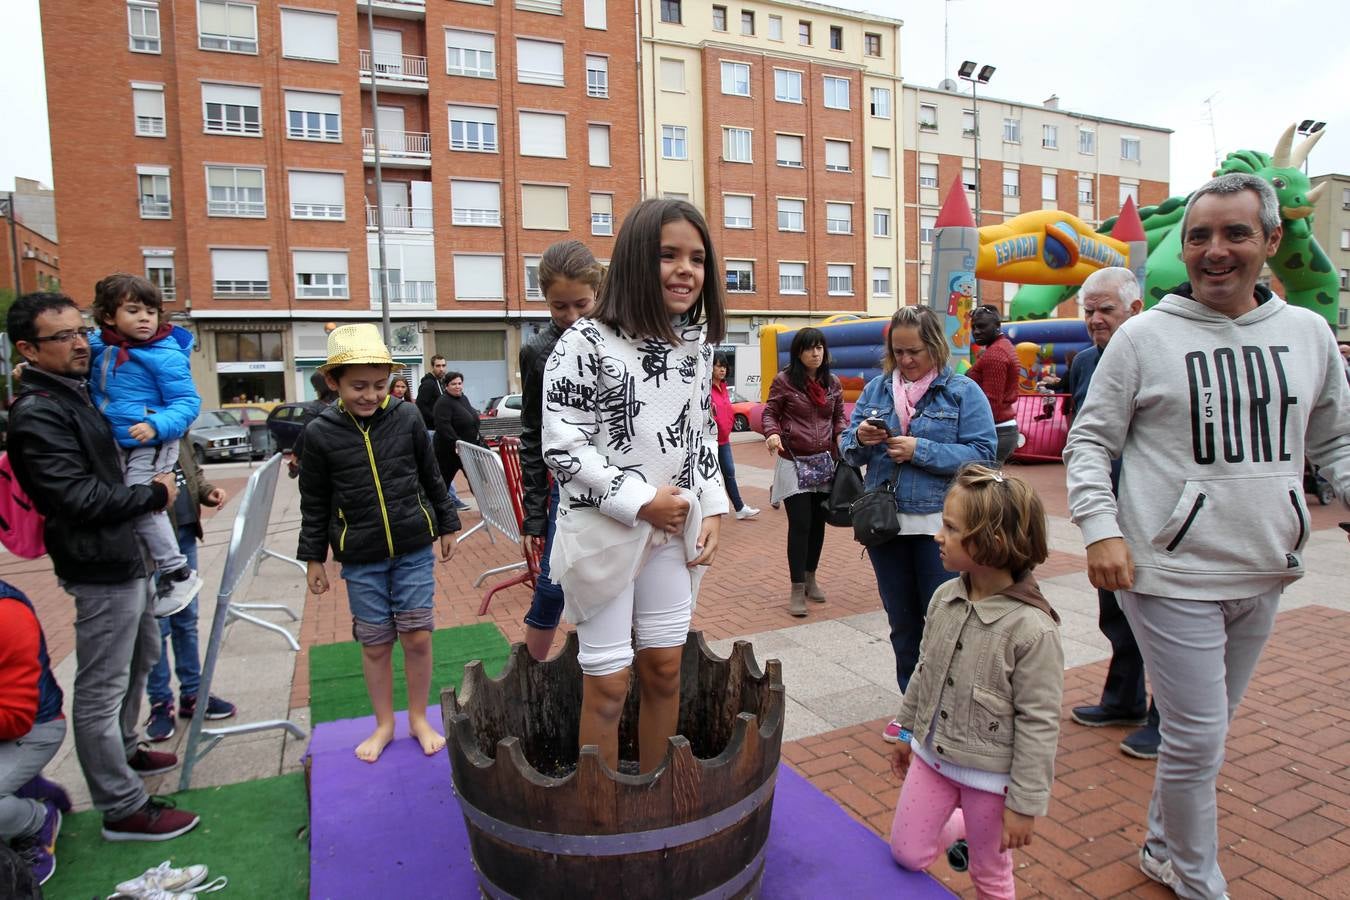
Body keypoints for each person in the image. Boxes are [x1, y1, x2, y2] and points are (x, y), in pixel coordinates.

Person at [1064, 173, 1350, 898]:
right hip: (1167, 572)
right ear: (1181, 248)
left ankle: (1163, 846)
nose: (1215, 251)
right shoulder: (1142, 337)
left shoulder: (1309, 334)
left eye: (1235, 234)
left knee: (1204, 734)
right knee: (1197, 739)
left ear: (1271, 242)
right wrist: (1100, 530)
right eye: (1200, 236)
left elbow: (1335, 442)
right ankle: (1197, 878)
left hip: (1263, 566)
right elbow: (1089, 443)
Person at [542, 198, 728, 774]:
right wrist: (641, 502)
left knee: (665, 667)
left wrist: (714, 507)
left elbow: (700, 431)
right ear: (632, 260)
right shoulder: (583, 343)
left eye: (697, 258)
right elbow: (562, 446)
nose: (685, 269)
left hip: (672, 533)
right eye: (668, 254)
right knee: (609, 682)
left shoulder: (696, 345)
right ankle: (598, 811)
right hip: (603, 533)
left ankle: (651, 790)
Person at [6, 292, 198, 841]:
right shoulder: (40, 413)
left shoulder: (76, 391)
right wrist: (153, 499)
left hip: (125, 557)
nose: (79, 343)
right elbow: (78, 497)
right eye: (61, 337)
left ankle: (128, 750)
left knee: (139, 661)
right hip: (99, 565)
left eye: (80, 331)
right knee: (101, 685)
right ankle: (121, 806)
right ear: (28, 349)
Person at [889, 465, 1062, 899]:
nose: (937, 536)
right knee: (907, 854)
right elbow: (924, 672)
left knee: (990, 876)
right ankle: (958, 820)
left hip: (990, 780)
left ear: (992, 542)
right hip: (933, 758)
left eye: (950, 528)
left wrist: (1024, 805)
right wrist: (905, 731)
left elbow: (1040, 723)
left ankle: (971, 819)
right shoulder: (945, 598)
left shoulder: (1033, 630)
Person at [299, 324, 461, 763]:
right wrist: (314, 558)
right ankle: (384, 723)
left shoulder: (407, 417)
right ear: (333, 382)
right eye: (358, 386)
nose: (370, 395)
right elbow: (313, 501)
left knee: (417, 636)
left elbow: (432, 477)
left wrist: (447, 523)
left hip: (412, 547)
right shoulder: (319, 433)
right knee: (374, 643)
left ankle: (418, 718)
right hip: (361, 557)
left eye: (379, 385)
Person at [840, 305, 996, 742]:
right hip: (885, 527)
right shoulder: (875, 390)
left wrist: (920, 450)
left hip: (942, 528)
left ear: (936, 345)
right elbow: (848, 448)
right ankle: (913, 707)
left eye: (916, 351)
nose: (907, 361)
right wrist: (860, 439)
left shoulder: (962, 392)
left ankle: (949, 709)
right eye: (899, 352)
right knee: (903, 622)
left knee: (945, 622)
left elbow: (985, 455)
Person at [1056, 267, 1160, 760]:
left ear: (1135, 310)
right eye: (1089, 310)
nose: (1095, 319)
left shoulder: (1160, 355)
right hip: (1106, 509)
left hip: (1158, 512)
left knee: (1162, 617)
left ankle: (1168, 720)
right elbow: (1084, 436)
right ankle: (1124, 700)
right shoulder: (1083, 363)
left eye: (1106, 310)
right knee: (1115, 610)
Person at [88, 273, 203, 618]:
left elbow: (187, 403)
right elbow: (74, 360)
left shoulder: (163, 353)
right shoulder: (102, 347)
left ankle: (176, 571)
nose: (144, 319)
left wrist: (155, 426)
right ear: (109, 317)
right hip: (121, 439)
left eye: (150, 312)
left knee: (141, 501)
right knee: (131, 502)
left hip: (149, 441)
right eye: (134, 311)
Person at [518, 240, 603, 661]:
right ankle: (530, 676)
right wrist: (534, 515)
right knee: (552, 584)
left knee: (618, 587)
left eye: (581, 305)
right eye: (559, 308)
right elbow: (532, 433)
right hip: (566, 489)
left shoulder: (618, 337)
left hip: (621, 485)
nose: (571, 318)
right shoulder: (536, 350)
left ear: (599, 293)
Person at [144, 437, 236, 743]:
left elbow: (191, 470)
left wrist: (207, 492)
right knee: (157, 627)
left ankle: (193, 694)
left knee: (187, 619)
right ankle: (160, 703)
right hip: (153, 543)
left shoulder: (175, 424)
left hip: (183, 534)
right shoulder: (134, 426)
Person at [762, 329, 844, 616]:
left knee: (818, 524)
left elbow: (838, 418)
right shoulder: (785, 381)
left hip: (824, 462)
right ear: (798, 352)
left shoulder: (831, 383)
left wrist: (842, 438)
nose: (816, 353)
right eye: (810, 348)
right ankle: (796, 588)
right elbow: (769, 412)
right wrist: (772, 433)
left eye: (820, 348)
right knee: (800, 524)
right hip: (793, 460)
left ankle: (811, 577)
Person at [0, 579, 67, 885]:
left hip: (34, 729)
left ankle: (37, 820)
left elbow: (17, 718)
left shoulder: (7, 615)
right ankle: (27, 786)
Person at [965, 305, 1020, 464]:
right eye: (974, 326)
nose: (976, 331)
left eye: (982, 326)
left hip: (995, 430)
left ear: (997, 326)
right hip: (1001, 428)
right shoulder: (1002, 347)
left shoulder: (995, 354)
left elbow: (992, 403)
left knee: (978, 484)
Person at [711, 352, 760, 523]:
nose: (722, 369)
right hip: (709, 441)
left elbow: (728, 410)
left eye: (724, 366)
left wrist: (729, 424)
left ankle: (739, 508)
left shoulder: (723, 388)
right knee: (712, 477)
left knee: (729, 473)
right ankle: (708, 511)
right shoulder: (706, 390)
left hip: (724, 440)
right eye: (718, 365)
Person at [432, 371, 481, 511]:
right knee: (442, 482)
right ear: (446, 386)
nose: (457, 386)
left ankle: (485, 508)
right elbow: (443, 426)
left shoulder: (463, 398)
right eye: (453, 384)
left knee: (475, 479)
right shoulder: (443, 402)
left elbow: (471, 417)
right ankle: (436, 509)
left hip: (467, 449)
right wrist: (456, 442)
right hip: (448, 452)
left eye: (459, 383)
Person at [416, 354, 447, 429]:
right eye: (438, 366)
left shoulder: (439, 382)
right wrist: (436, 418)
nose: (441, 369)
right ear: (432, 367)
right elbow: (420, 405)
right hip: (431, 428)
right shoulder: (428, 384)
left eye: (443, 365)